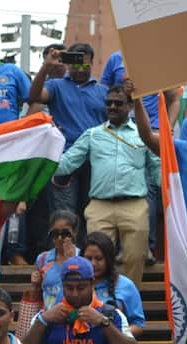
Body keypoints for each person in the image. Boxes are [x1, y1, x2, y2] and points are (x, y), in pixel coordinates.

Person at [55, 85, 158, 286]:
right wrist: (42, 155)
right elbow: (66, 164)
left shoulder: (143, 134)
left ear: (129, 106)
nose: (112, 106)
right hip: (100, 206)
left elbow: (158, 169)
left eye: (118, 103)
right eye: (108, 103)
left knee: (136, 257)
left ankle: (126, 301)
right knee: (95, 258)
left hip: (134, 204)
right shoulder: (92, 134)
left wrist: (175, 190)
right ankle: (100, 302)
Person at [29, 44, 106, 213]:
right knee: (64, 215)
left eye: (84, 65)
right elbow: (34, 97)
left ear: (92, 63)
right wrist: (46, 68)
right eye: (75, 65)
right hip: (64, 160)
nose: (79, 70)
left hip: (96, 161)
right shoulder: (56, 85)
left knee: (92, 213)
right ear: (68, 64)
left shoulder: (103, 92)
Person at [83, 233, 146, 338]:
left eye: (98, 259)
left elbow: (138, 324)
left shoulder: (125, 285)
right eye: (89, 258)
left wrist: (117, 332)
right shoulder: (75, 284)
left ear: (108, 259)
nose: (93, 263)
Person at [31, 210, 81, 309]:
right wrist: (36, 283)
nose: (59, 238)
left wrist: (71, 261)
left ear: (74, 233)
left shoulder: (82, 257)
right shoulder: (43, 259)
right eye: (55, 233)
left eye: (65, 234)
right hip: (49, 318)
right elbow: (40, 291)